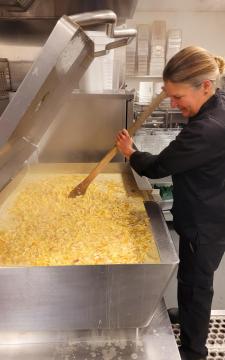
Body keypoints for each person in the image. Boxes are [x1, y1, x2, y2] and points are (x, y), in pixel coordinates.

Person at [116, 46, 225, 360]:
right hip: (212, 205)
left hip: (206, 221)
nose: (175, 105)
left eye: (178, 97)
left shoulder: (207, 130)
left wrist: (130, 151)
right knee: (190, 276)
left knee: (197, 284)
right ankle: (188, 316)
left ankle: (193, 350)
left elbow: (157, 167)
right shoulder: (215, 105)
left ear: (205, 86)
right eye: (170, 97)